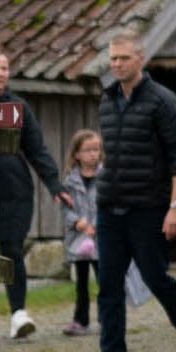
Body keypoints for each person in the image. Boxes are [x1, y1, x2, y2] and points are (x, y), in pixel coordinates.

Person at [77, 30, 176, 352]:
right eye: (112, 59)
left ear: (141, 58)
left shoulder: (161, 100)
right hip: (109, 206)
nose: (117, 64)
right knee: (108, 285)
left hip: (148, 207)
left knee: (155, 278)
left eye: (123, 58)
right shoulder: (107, 100)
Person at [0, 51, 65, 340]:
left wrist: (54, 185)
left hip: (15, 190)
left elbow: (36, 148)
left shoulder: (18, 107)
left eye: (4, 68)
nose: (1, 73)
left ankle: (18, 313)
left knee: (11, 252)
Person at [60, 129, 103, 336]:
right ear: (77, 153)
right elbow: (65, 207)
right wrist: (77, 222)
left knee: (105, 281)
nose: (93, 154)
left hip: (100, 239)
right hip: (79, 240)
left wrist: (96, 224)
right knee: (82, 283)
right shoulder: (69, 181)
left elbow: (108, 203)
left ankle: (107, 318)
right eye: (87, 150)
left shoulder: (105, 177)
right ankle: (80, 320)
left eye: (96, 149)